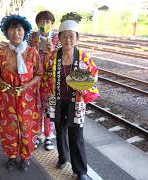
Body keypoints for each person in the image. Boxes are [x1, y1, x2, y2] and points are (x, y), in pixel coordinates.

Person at [47, 12, 100, 180]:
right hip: (57, 101)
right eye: (64, 36)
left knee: (76, 135)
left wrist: (87, 90)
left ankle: (81, 171)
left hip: (76, 102)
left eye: (71, 36)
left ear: (77, 38)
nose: (68, 40)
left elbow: (94, 76)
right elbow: (45, 77)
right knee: (60, 130)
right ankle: (63, 158)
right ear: (59, 38)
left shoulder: (84, 58)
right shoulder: (52, 57)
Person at [0, 15, 43, 172]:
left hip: (28, 98)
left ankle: (26, 157)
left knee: (27, 128)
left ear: (24, 31)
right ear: (7, 32)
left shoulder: (32, 53)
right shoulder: (1, 52)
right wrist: (4, 84)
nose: (16, 32)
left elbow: (39, 74)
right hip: (7, 97)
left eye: (19, 29)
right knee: (9, 128)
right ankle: (12, 155)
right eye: (12, 29)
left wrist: (26, 85)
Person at [28, 10, 60, 151]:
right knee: (36, 107)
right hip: (34, 78)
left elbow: (61, 56)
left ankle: (48, 136)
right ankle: (36, 136)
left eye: (47, 22)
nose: (44, 24)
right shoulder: (32, 36)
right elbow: (26, 53)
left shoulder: (57, 38)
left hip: (51, 80)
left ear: (52, 23)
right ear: (37, 23)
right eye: (41, 21)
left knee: (50, 108)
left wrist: (53, 51)